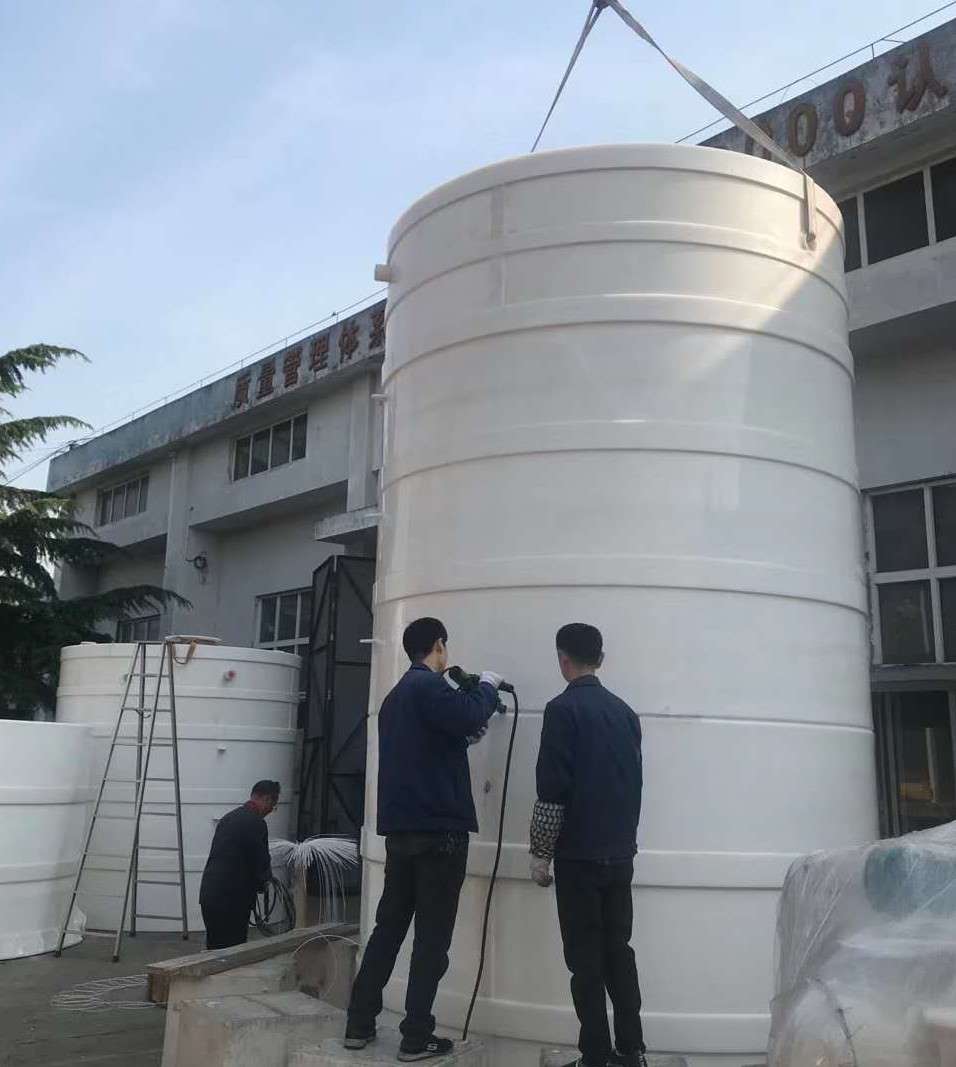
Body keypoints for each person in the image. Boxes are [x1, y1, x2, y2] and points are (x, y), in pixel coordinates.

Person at [345, 617, 505, 1062]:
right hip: (440, 834)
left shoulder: (395, 698)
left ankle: (359, 1023)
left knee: (388, 930)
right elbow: (468, 713)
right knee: (432, 941)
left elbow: (435, 741)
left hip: (401, 833)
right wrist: (488, 687)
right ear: (439, 645)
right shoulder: (429, 685)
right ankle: (416, 1037)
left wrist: (465, 734)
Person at [530, 624, 646, 1067]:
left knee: (585, 960)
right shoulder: (625, 713)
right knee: (620, 951)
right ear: (601, 658)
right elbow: (634, 784)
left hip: (578, 856)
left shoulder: (562, 711)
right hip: (620, 853)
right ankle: (631, 1050)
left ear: (563, 660)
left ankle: (595, 1055)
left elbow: (552, 789)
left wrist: (541, 853)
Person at [199, 779, 279, 950]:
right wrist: (265, 882)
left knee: (215, 949)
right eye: (273, 806)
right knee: (233, 952)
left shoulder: (228, 818)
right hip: (232, 902)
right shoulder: (256, 823)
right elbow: (260, 863)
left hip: (210, 895)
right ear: (266, 799)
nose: (271, 811)